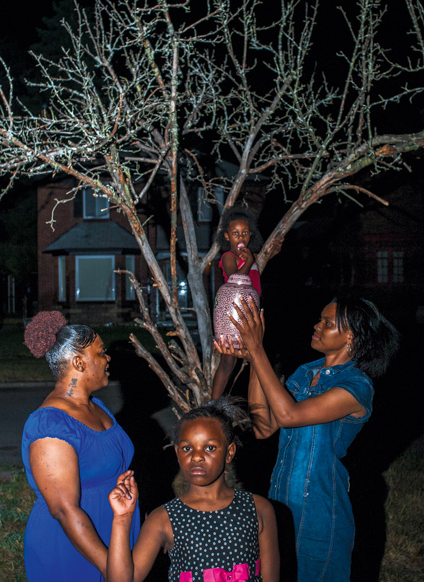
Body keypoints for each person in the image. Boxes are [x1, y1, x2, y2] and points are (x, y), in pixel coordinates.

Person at [217, 295, 400, 581]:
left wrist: (258, 350)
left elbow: (289, 415)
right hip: (280, 501)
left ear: (350, 337)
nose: (317, 326)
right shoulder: (305, 372)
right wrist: (255, 360)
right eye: (320, 319)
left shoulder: (356, 386)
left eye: (327, 323)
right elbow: (264, 426)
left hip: (320, 512)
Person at [20, 311, 140, 581]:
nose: (108, 358)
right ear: (78, 362)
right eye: (101, 352)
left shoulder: (97, 407)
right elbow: (63, 509)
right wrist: (109, 567)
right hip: (74, 546)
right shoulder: (50, 425)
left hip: (113, 528)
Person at [106, 398, 280, 582]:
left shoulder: (258, 508)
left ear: (229, 452)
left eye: (210, 447)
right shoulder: (163, 519)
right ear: (177, 452)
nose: (196, 457)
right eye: (187, 448)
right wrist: (122, 518)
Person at [211, 207, 263, 400]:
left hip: (250, 313)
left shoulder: (251, 256)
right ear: (226, 236)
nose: (240, 238)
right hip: (233, 314)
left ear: (250, 235)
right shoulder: (228, 257)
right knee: (228, 361)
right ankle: (212, 403)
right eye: (235, 233)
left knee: (254, 358)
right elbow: (235, 280)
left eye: (245, 233)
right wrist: (248, 262)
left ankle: (253, 403)